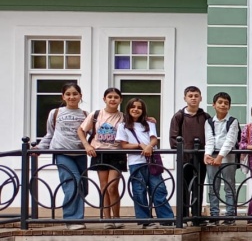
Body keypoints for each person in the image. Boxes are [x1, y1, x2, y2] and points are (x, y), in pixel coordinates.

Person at [37, 82, 89, 228]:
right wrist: (39, 148)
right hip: (62, 153)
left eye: (75, 94)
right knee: (73, 182)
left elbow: (94, 134)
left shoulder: (85, 114)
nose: (72, 97)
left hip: (80, 154)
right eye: (68, 94)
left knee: (83, 186)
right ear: (63, 96)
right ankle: (73, 220)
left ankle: (76, 214)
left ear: (80, 96)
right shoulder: (55, 113)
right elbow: (50, 134)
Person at [117, 97, 172, 228]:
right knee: (139, 191)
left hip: (152, 161)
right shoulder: (122, 126)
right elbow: (123, 145)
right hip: (135, 162)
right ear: (128, 108)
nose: (136, 109)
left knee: (158, 189)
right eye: (133, 107)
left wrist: (149, 146)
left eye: (139, 108)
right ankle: (145, 220)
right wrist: (139, 145)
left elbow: (154, 139)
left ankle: (166, 219)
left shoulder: (149, 123)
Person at [79, 87, 124, 227]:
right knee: (104, 186)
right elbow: (81, 130)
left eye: (116, 97)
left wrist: (149, 119)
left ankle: (117, 218)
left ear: (120, 100)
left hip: (117, 153)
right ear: (104, 99)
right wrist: (87, 145)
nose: (113, 99)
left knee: (113, 186)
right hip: (99, 153)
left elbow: (138, 120)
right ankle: (107, 219)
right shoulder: (96, 114)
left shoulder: (124, 116)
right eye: (109, 97)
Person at [168, 86, 211, 224]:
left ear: (201, 98)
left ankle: (197, 216)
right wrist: (182, 151)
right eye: (190, 95)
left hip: (201, 158)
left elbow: (210, 136)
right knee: (184, 187)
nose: (193, 98)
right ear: (185, 98)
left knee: (198, 186)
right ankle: (184, 216)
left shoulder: (205, 117)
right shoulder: (179, 116)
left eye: (196, 95)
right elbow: (174, 138)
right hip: (184, 158)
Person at [204, 92, 240, 225]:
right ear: (214, 105)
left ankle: (230, 215)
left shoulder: (233, 121)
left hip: (227, 156)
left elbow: (230, 140)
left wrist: (220, 157)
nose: (223, 105)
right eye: (220, 102)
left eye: (226, 103)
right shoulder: (209, 122)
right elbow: (209, 139)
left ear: (229, 106)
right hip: (213, 156)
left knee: (229, 185)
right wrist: (207, 155)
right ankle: (214, 215)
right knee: (213, 186)